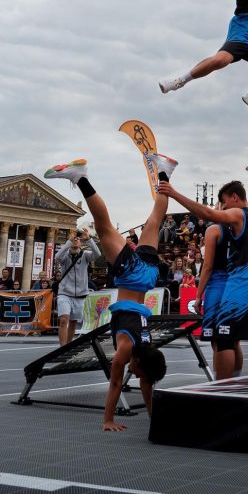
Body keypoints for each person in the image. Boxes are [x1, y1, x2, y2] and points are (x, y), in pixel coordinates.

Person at [45, 154, 174, 430]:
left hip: (148, 278)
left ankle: (165, 172)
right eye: (136, 371)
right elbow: (115, 382)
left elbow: (147, 383)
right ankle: (80, 177)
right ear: (137, 362)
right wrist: (108, 420)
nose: (132, 373)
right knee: (103, 226)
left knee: (154, 221)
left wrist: (153, 417)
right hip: (132, 275)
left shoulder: (147, 348)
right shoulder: (127, 350)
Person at [159, 178, 248, 376]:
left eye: (225, 202)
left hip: (238, 286)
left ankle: (222, 386)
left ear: (235, 197)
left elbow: (208, 215)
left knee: (223, 338)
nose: (225, 207)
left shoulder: (237, 215)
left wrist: (174, 193)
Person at [53, 226, 101, 346]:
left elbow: (98, 254)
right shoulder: (65, 256)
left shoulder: (85, 255)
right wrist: (69, 241)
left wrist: (88, 239)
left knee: (73, 322)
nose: (76, 240)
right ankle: (62, 348)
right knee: (64, 319)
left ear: (80, 243)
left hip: (80, 294)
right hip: (64, 293)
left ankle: (68, 346)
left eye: (78, 239)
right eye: (74, 239)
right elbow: (57, 257)